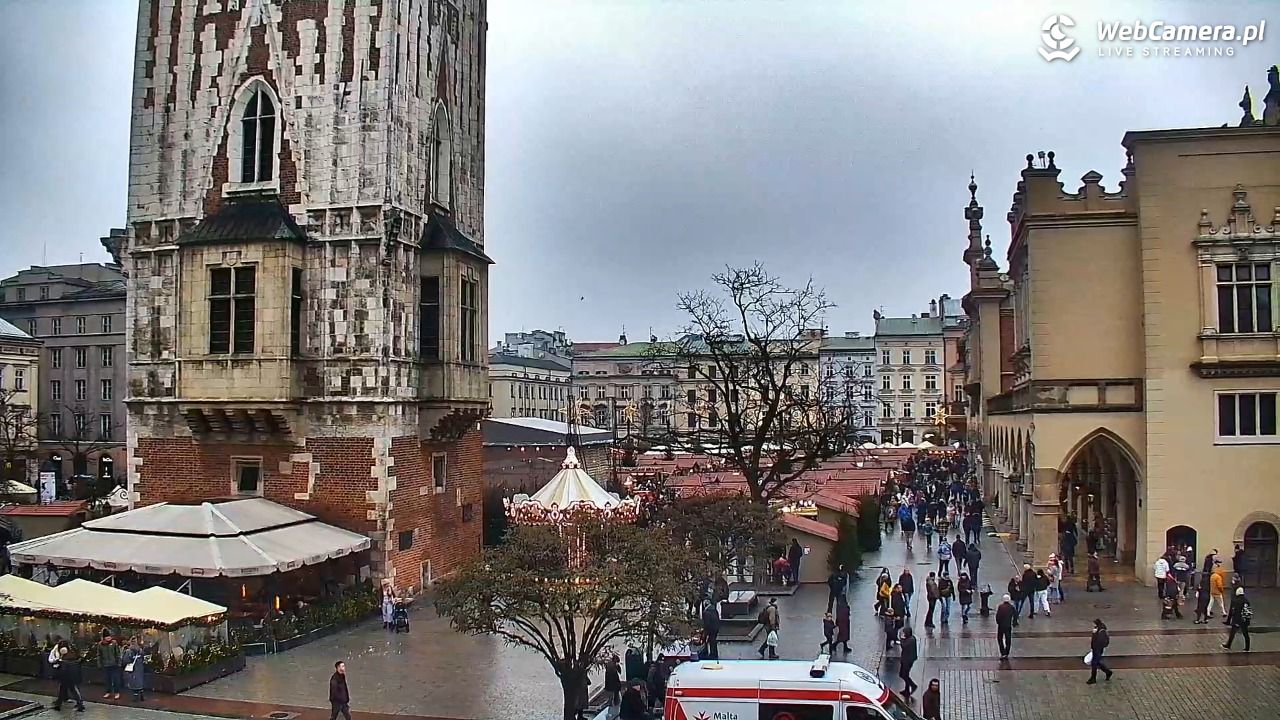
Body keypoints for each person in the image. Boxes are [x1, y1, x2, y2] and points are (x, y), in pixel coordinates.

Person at [52, 647, 86, 712]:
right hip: (73, 678)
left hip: (65, 678)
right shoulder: (74, 659)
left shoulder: (63, 661)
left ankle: (58, 705)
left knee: (62, 692)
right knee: (74, 691)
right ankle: (80, 705)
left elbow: (62, 670)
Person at [1222, 587, 1252, 651]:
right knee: (1245, 634)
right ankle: (1247, 647)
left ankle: (1228, 645)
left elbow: (1234, 610)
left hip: (1237, 619)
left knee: (1232, 633)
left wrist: (1230, 619)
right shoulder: (1246, 600)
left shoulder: (1235, 600)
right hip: (1244, 619)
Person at [1086, 619, 1113, 684]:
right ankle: (1108, 672)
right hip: (1095, 649)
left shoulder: (1101, 631)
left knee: (1094, 663)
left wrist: (1095, 634)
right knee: (1096, 662)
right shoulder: (1097, 629)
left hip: (1098, 649)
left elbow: (1099, 641)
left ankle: (1093, 678)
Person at [122, 637, 146, 703]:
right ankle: (141, 692)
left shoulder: (128, 651)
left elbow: (125, 660)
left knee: (133, 681)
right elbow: (143, 657)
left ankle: (135, 695)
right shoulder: (140, 650)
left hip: (132, 668)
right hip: (140, 668)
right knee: (140, 680)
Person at [898, 627, 919, 697]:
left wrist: (901, 639)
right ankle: (906, 690)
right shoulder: (911, 638)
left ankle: (913, 685)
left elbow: (903, 646)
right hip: (906, 659)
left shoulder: (910, 640)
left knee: (904, 675)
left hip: (907, 660)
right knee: (904, 675)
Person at [995, 594, 1015, 660]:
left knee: (999, 638)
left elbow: (998, 616)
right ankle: (1007, 652)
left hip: (1001, 625)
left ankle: (1002, 652)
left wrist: (998, 622)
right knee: (1008, 639)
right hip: (1008, 625)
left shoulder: (1000, 607)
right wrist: (1014, 622)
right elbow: (1015, 615)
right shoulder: (1011, 607)